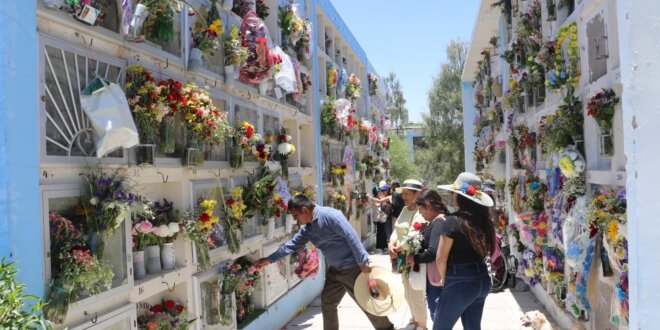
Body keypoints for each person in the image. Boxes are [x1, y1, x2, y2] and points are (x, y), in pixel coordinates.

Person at [254, 195, 394, 330]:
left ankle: (387, 328)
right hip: (335, 270)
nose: (296, 220)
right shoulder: (308, 229)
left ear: (305, 210)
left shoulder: (330, 216)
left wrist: (362, 260)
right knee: (328, 302)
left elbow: (351, 236)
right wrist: (268, 259)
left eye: (296, 215)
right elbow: (291, 245)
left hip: (352, 269)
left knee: (366, 303)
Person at [433, 173, 496, 330]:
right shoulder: (483, 220)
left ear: (459, 196)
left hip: (460, 281)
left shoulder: (452, 221)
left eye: (454, 193)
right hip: (482, 279)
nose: (452, 196)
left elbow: (441, 258)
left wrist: (442, 281)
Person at [387, 179, 428, 330]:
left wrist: (397, 248)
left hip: (413, 258)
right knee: (407, 290)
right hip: (402, 257)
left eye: (407, 193)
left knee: (416, 293)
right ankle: (415, 320)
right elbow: (396, 229)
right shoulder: (405, 209)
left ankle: (422, 326)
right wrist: (390, 243)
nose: (403, 196)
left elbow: (413, 235)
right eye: (403, 193)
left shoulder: (421, 212)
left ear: (417, 194)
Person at [405, 188, 449, 319]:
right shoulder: (439, 221)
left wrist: (414, 258)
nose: (420, 213)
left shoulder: (439, 223)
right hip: (438, 276)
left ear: (428, 205)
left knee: (437, 315)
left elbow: (432, 252)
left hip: (436, 278)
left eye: (421, 209)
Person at [371, 181, 392, 253]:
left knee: (384, 232)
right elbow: (377, 204)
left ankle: (384, 246)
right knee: (380, 232)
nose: (381, 192)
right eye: (380, 191)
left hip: (384, 217)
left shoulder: (383, 197)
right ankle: (379, 247)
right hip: (379, 218)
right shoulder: (376, 198)